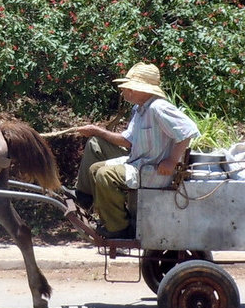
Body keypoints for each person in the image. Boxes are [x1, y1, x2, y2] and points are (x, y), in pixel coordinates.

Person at [73, 62, 199, 239]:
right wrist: (96, 131)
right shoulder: (139, 109)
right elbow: (127, 141)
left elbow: (188, 130)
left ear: (141, 90)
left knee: (105, 175)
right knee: (95, 169)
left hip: (153, 170)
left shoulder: (158, 107)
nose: (125, 91)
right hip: (138, 164)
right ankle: (109, 217)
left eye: (129, 88)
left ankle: (118, 229)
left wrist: (171, 161)